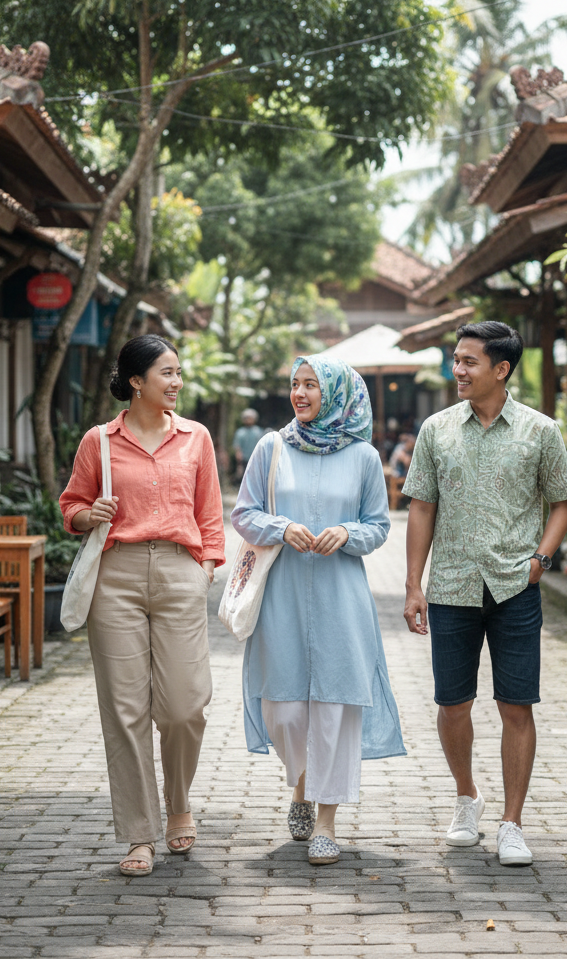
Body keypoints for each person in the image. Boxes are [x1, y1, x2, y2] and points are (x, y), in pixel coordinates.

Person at [402, 321, 567, 866]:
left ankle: (512, 822)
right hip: (453, 585)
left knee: (515, 704)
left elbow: (563, 500)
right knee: (452, 704)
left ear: (501, 370)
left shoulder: (540, 431)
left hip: (514, 588)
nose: (457, 370)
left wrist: (540, 560)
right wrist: (413, 584)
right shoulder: (436, 430)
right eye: (455, 360)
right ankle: (466, 798)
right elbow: (421, 507)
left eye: (468, 362)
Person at [59, 334, 225, 876]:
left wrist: (203, 571)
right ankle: (138, 834)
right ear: (137, 381)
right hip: (117, 575)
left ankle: (179, 804)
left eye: (179, 373)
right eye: (167, 373)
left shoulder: (196, 437)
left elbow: (210, 514)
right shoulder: (99, 441)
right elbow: (71, 504)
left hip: (180, 571)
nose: (177, 383)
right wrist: (89, 514)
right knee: (125, 711)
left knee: (184, 706)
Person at [232, 355, 404, 866]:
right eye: (295, 384)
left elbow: (378, 525)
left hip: (340, 595)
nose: (300, 393)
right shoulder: (271, 447)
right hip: (281, 592)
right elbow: (243, 512)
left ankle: (326, 820)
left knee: (333, 708)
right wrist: (281, 528)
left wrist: (347, 533)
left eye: (311, 385)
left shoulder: (364, 457)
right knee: (283, 709)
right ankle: (301, 786)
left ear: (335, 394)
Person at [232, 408, 264, 480]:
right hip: (244, 460)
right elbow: (237, 447)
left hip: (256, 460)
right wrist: (239, 463)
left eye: (250, 418)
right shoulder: (240, 432)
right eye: (246, 418)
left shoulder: (259, 432)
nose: (248, 420)